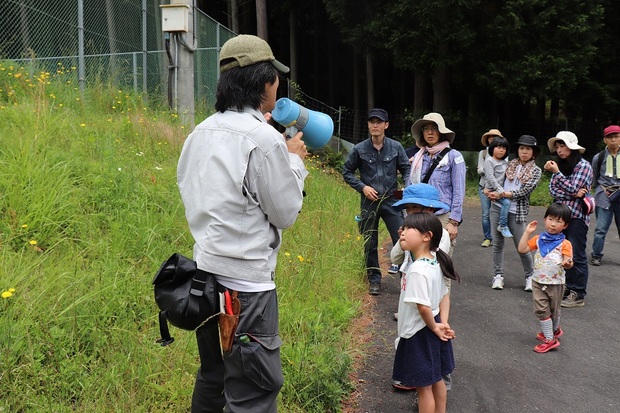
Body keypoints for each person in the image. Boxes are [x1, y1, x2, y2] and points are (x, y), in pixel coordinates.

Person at [177, 34, 308, 413]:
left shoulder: (198, 132)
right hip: (247, 289)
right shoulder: (263, 140)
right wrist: (294, 161)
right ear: (264, 82)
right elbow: (285, 213)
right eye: (275, 78)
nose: (277, 84)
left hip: (204, 281)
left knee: (213, 376)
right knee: (254, 389)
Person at [391, 213, 460, 413]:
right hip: (433, 325)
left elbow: (423, 307)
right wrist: (442, 323)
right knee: (437, 378)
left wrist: (434, 327)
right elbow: (444, 296)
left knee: (424, 388)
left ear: (426, 236)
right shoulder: (435, 262)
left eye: (407, 229)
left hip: (418, 332)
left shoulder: (417, 270)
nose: (402, 232)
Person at [343, 108, 411, 295]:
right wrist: (362, 187)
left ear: (386, 125)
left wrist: (407, 186)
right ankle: (374, 279)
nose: (375, 125)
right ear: (368, 125)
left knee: (403, 238)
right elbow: (347, 171)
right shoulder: (360, 149)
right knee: (369, 242)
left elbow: (406, 168)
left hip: (392, 200)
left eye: (379, 122)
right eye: (372, 122)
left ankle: (407, 278)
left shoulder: (396, 147)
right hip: (369, 202)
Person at [487, 135, 541, 291]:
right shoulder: (508, 164)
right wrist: (488, 190)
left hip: (517, 212)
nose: (524, 152)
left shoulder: (536, 171)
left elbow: (525, 191)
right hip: (497, 208)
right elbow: (494, 179)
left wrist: (503, 194)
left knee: (522, 246)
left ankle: (530, 276)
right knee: (497, 244)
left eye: (528, 149)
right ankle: (498, 276)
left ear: (534, 152)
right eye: (521, 148)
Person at [544, 131, 593, 308]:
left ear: (571, 146)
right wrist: (571, 192)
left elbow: (574, 187)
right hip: (560, 217)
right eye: (557, 147)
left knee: (577, 254)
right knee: (561, 252)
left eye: (562, 145)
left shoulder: (584, 165)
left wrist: (558, 174)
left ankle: (578, 292)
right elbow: (553, 191)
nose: (559, 150)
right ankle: (567, 287)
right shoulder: (561, 166)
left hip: (577, 217)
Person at [518, 203, 573, 353]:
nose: (553, 224)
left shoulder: (565, 244)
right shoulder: (538, 239)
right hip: (537, 282)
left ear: (565, 225)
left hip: (555, 283)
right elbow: (522, 249)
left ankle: (553, 331)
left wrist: (566, 263)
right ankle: (550, 338)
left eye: (559, 221)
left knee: (554, 311)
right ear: (545, 219)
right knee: (542, 311)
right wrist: (527, 232)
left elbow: (569, 262)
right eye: (550, 219)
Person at [408, 113, 466, 255]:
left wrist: (453, 222)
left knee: (442, 260)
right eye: (426, 128)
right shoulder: (418, 157)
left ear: (441, 132)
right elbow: (411, 186)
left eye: (434, 128)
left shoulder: (454, 156)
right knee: (419, 257)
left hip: (443, 215)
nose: (430, 132)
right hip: (420, 215)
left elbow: (459, 190)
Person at [589, 125, 620, 266]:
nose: (613, 140)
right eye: (610, 137)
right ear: (604, 140)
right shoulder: (599, 157)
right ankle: (596, 255)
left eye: (616, 136)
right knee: (600, 228)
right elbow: (594, 178)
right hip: (604, 196)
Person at [477, 129, 504, 247]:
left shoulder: (503, 153)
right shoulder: (483, 153)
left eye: (495, 136)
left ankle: (498, 236)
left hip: (499, 188)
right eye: (490, 137)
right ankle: (488, 237)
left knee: (499, 212)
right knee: (485, 214)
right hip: (484, 187)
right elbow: (479, 169)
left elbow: (504, 171)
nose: (492, 138)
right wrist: (488, 171)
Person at [483, 136, 513, 238]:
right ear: (492, 148)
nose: (501, 150)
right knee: (506, 203)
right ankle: (503, 225)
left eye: (504, 148)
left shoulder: (505, 162)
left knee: (505, 204)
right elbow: (490, 177)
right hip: (492, 189)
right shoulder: (489, 161)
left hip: (500, 189)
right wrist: (499, 190)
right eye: (499, 147)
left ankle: (502, 224)